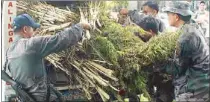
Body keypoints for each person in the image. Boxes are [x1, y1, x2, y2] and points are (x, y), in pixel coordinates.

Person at [5, 14, 91, 101]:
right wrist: (80, 26)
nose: (34, 32)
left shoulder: (9, 52)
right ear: (25, 29)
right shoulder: (30, 45)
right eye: (33, 29)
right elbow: (59, 39)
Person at [163, 1, 209, 101]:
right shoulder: (192, 27)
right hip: (201, 86)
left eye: (168, 14)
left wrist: (157, 61)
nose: (167, 17)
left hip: (194, 91)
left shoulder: (186, 37)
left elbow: (177, 68)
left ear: (176, 16)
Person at [135, 16, 175, 102]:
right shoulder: (146, 41)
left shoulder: (165, 46)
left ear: (150, 31)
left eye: (141, 32)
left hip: (166, 83)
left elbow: (168, 75)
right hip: (152, 79)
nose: (139, 33)